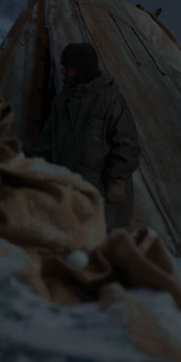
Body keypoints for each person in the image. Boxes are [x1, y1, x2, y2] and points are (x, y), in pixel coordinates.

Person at [34, 41, 141, 232]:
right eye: (63, 67)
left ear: (82, 70)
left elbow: (127, 145)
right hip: (69, 187)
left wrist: (117, 181)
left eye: (69, 68)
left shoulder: (110, 100)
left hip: (100, 189)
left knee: (101, 245)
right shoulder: (61, 101)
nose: (63, 72)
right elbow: (47, 142)